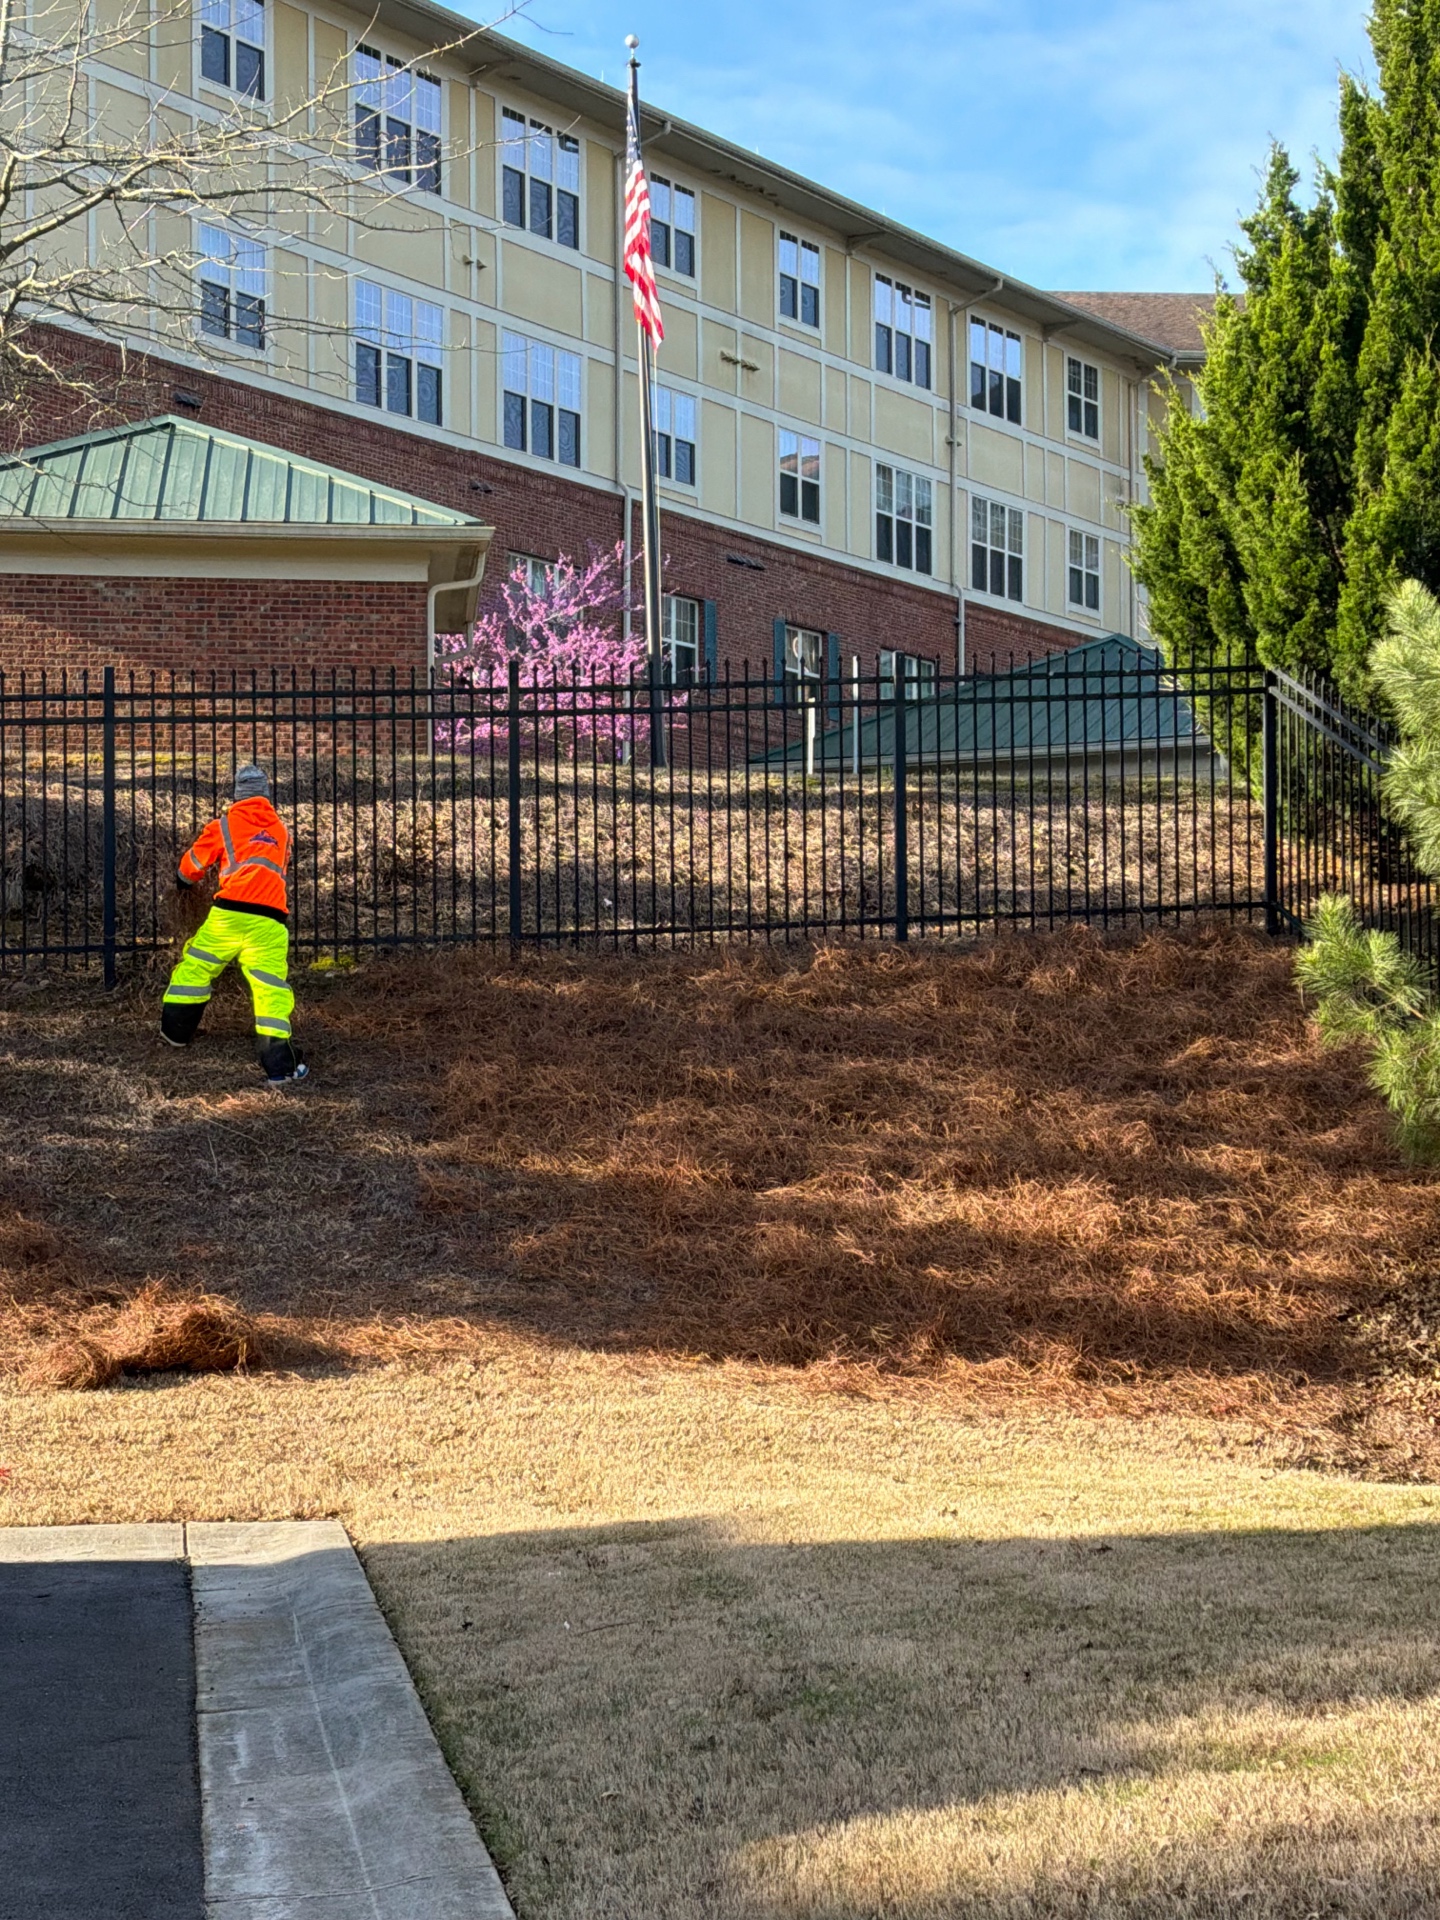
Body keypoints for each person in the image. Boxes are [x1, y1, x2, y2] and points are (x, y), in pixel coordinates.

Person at [160, 763, 309, 1085]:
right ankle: (280, 1067)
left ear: (237, 796)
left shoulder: (224, 825)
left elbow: (193, 866)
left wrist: (183, 882)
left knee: (196, 967)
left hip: (228, 915)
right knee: (271, 990)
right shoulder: (281, 831)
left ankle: (175, 1033)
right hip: (270, 921)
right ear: (266, 797)